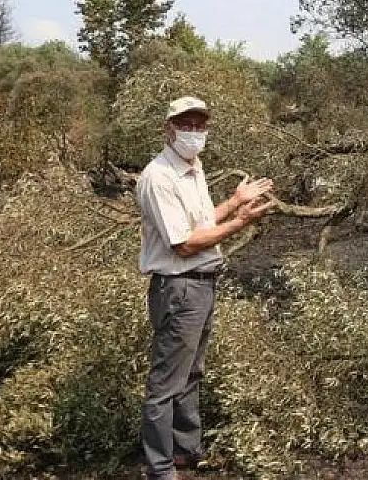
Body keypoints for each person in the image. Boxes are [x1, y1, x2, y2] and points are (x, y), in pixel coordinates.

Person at [135, 96, 274, 479]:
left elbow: (201, 222)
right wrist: (241, 221)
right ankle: (161, 469)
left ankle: (185, 452)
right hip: (180, 289)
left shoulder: (193, 169)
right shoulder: (158, 177)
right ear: (169, 128)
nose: (193, 132)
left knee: (190, 373)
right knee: (165, 383)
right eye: (185, 124)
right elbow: (184, 243)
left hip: (201, 285)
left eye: (200, 125)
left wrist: (233, 202)